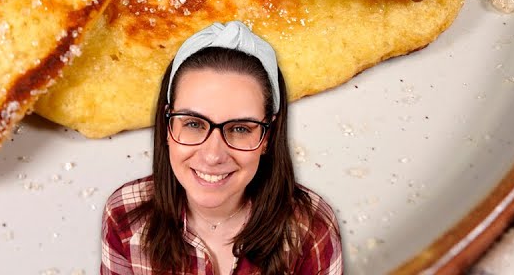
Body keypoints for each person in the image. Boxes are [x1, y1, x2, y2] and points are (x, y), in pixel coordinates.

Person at [100, 21, 343, 275]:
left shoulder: (312, 228)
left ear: (268, 136)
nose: (213, 155)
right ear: (167, 127)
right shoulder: (123, 215)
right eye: (193, 123)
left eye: (240, 129)